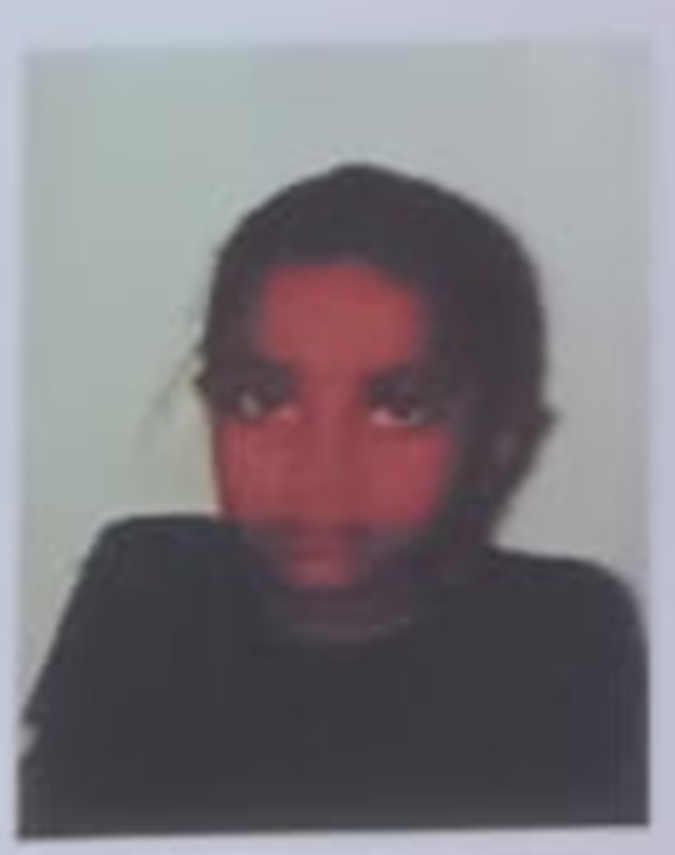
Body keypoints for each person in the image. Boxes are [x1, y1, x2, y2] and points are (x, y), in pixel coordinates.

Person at [20, 164, 647, 837]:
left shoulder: (561, 643)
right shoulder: (148, 589)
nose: (319, 477)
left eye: (398, 409)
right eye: (260, 401)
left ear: (499, 441)